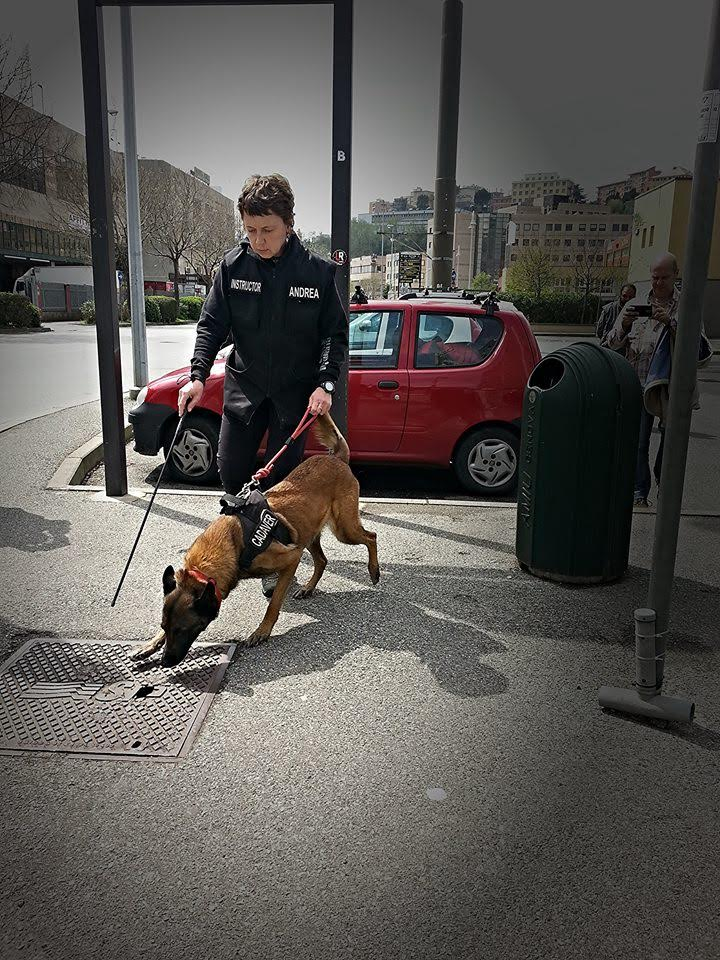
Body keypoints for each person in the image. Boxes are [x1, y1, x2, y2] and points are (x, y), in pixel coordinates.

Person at [178, 174, 348, 590]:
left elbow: (334, 334)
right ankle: (252, 550)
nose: (259, 240)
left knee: (280, 488)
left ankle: (274, 565)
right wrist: (197, 374)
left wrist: (325, 384)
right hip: (245, 389)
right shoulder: (232, 268)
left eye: (267, 230)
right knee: (232, 474)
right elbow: (211, 325)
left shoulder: (317, 273)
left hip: (295, 397)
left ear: (289, 224)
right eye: (250, 230)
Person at [604, 253, 678, 508]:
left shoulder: (684, 307)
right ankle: (639, 492)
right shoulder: (634, 304)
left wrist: (671, 322)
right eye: (654, 277)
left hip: (669, 388)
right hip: (637, 383)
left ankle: (665, 492)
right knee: (638, 443)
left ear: (675, 276)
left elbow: (699, 350)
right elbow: (611, 343)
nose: (658, 283)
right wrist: (624, 325)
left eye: (664, 278)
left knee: (669, 447)